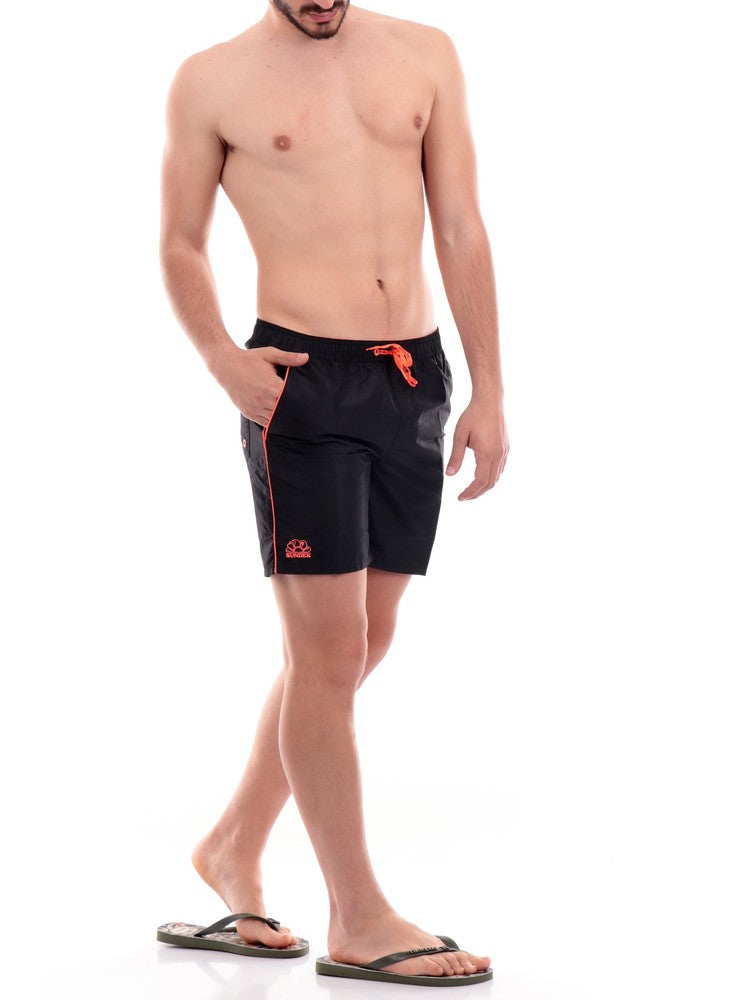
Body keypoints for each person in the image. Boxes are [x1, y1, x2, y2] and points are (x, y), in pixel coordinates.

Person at [157, 0, 508, 986]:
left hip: (414, 377)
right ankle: (357, 915)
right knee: (325, 652)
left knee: (365, 640)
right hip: (300, 384)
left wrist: (488, 389)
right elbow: (180, 241)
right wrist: (223, 360)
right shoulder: (211, 79)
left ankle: (231, 844)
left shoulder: (426, 54)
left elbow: (461, 224)